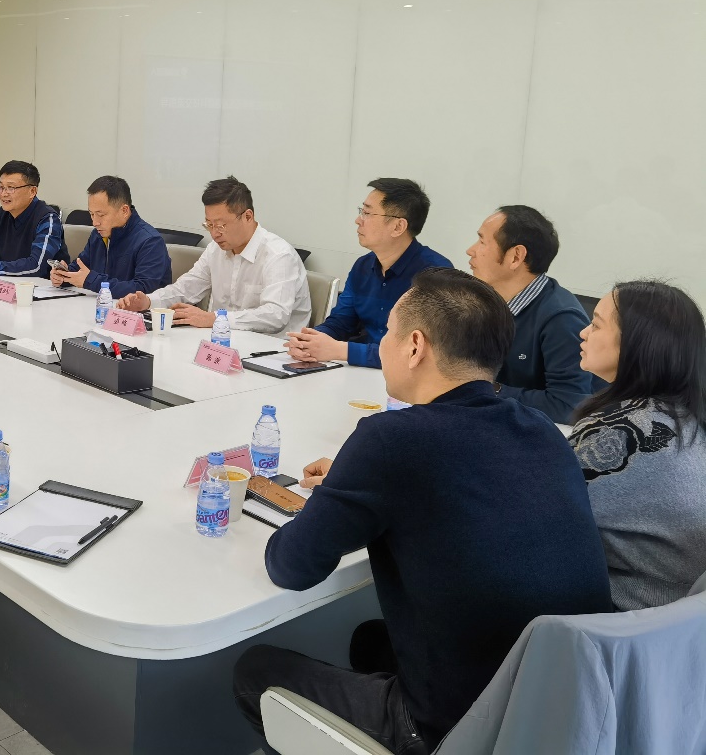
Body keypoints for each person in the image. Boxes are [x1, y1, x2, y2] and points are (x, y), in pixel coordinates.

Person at [233, 268, 612, 755]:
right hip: (562, 714)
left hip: (461, 728)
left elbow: (293, 566)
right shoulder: (540, 429)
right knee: (371, 641)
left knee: (256, 671)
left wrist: (352, 490)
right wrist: (361, 487)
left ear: (415, 346)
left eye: (389, 333)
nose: (382, 346)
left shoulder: (392, 439)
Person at [571, 280, 706, 611]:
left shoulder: (623, 430)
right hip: (669, 618)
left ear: (635, 344)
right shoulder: (684, 418)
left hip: (617, 617)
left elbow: (535, 509)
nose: (583, 333)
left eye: (596, 325)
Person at [287, 179, 450, 368]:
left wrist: (342, 350)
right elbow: (341, 322)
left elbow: (421, 353)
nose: (358, 220)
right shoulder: (363, 266)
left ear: (398, 227)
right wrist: (311, 341)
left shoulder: (435, 275)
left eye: (367, 213)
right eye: (361, 211)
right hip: (359, 371)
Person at [116, 176, 310, 333]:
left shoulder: (279, 256)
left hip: (271, 352)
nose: (215, 233)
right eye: (209, 224)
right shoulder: (215, 250)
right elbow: (185, 289)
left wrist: (215, 318)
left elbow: (275, 316)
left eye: (221, 225)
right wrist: (148, 301)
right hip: (220, 343)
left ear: (247, 216)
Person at [467, 205, 597, 423]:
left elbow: (568, 405)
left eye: (482, 242)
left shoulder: (561, 319)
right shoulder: (483, 301)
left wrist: (490, 389)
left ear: (516, 256)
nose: (470, 250)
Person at [50, 175, 172, 297]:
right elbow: (81, 268)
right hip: (101, 305)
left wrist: (92, 281)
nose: (95, 222)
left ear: (124, 211)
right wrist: (64, 276)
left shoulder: (150, 242)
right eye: (91, 214)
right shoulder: (98, 235)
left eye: (101, 215)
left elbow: (142, 290)